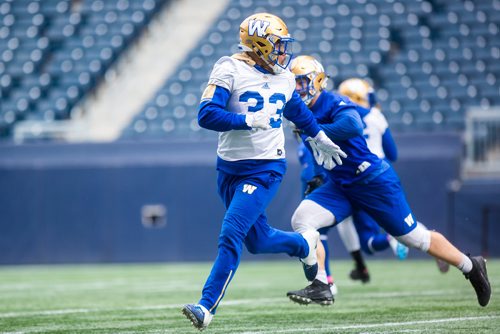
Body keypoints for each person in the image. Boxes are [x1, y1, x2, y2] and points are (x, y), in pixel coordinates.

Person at [181, 13, 347, 331]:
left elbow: (299, 114)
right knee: (257, 241)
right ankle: (304, 245)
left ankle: (206, 306)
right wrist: (245, 120)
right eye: (279, 45)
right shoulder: (229, 68)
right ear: (260, 44)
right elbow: (206, 114)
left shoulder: (284, 79)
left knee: (231, 233)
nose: (284, 52)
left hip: (265, 168)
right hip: (229, 169)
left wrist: (321, 139)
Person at [285, 55, 491, 308]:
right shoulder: (297, 111)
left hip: (372, 180)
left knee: (414, 237)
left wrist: (316, 130)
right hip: (341, 185)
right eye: (293, 83)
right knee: (303, 219)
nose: (297, 89)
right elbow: (318, 150)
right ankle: (321, 285)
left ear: (317, 81)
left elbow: (352, 125)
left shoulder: (334, 101)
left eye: (302, 82)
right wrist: (320, 175)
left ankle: (471, 266)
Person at [299, 78, 410, 287]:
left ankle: (328, 281)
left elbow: (330, 137)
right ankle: (362, 264)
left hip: (353, 176)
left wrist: (313, 132)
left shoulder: (331, 112)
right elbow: (392, 153)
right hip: (379, 173)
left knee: (329, 230)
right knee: (391, 233)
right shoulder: (375, 117)